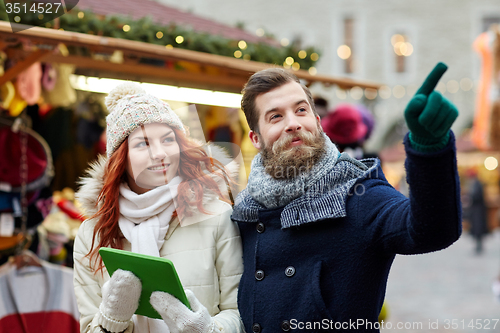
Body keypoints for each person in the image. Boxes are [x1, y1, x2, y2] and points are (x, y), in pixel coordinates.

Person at [232, 63, 461, 332]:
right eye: (275, 117)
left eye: (301, 110)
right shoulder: (245, 210)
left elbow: (432, 230)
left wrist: (429, 150)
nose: (293, 124)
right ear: (255, 138)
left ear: (317, 123)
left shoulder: (358, 193)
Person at [73, 82, 244, 333]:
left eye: (168, 140)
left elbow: (240, 311)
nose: (160, 153)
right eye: (143, 143)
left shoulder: (215, 215)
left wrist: (206, 330)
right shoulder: (93, 233)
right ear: (122, 158)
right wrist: (112, 319)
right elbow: (89, 327)